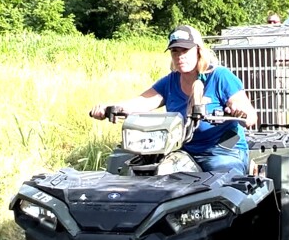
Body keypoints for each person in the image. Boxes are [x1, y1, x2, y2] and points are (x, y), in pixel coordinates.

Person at [90, 25, 258, 175]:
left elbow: (250, 116)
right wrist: (111, 108)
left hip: (223, 149)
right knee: (157, 178)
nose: (180, 56)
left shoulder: (220, 76)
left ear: (198, 51)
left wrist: (239, 111)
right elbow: (143, 102)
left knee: (222, 178)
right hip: (185, 152)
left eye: (185, 50)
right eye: (175, 51)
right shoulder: (170, 82)